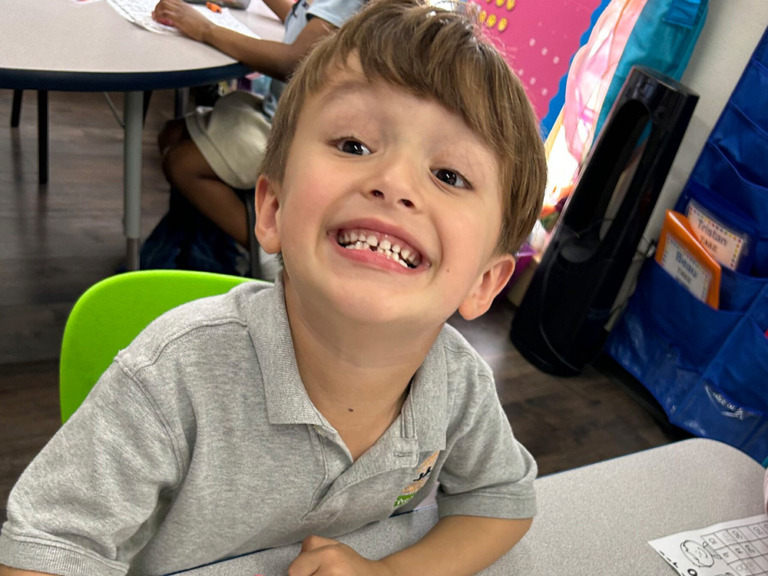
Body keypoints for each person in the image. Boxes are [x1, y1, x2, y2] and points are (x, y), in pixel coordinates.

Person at [0, 0, 547, 574]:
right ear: (274, 208)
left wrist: (391, 571)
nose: (393, 183)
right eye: (354, 145)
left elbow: (501, 500)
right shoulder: (174, 376)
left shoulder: (457, 386)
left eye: (449, 175)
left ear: (485, 281)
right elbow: (47, 549)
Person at [148, 0, 367, 277]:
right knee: (173, 133)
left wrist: (205, 29)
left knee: (183, 164)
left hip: (301, 133)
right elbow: (311, 23)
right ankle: (206, 253)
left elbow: (292, 61)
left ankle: (279, 253)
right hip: (284, 115)